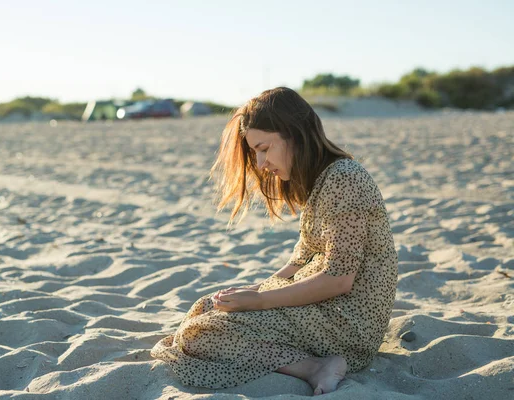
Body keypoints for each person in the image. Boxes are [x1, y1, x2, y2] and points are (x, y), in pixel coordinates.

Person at [150, 87, 398, 395]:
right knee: (206, 307)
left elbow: (339, 279)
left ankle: (314, 367)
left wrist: (261, 301)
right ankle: (304, 359)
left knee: (199, 335)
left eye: (265, 148)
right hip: (324, 307)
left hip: (346, 323)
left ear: (294, 134)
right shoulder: (321, 179)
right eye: (256, 152)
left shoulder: (344, 178)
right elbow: (301, 259)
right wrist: (256, 289)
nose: (262, 162)